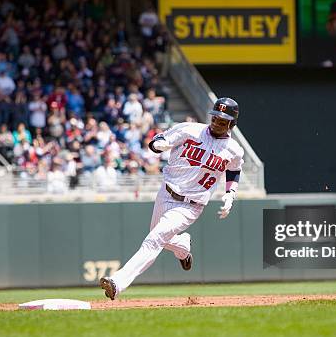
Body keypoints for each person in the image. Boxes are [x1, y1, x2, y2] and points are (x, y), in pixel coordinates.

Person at [99, 97, 244, 300]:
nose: (216, 123)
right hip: (166, 192)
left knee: (155, 238)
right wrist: (160, 145)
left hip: (191, 205)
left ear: (232, 124)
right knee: (159, 236)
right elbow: (158, 140)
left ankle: (118, 282)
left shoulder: (234, 149)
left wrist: (230, 194)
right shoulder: (189, 129)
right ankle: (182, 247)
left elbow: (234, 170)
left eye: (222, 120)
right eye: (215, 118)